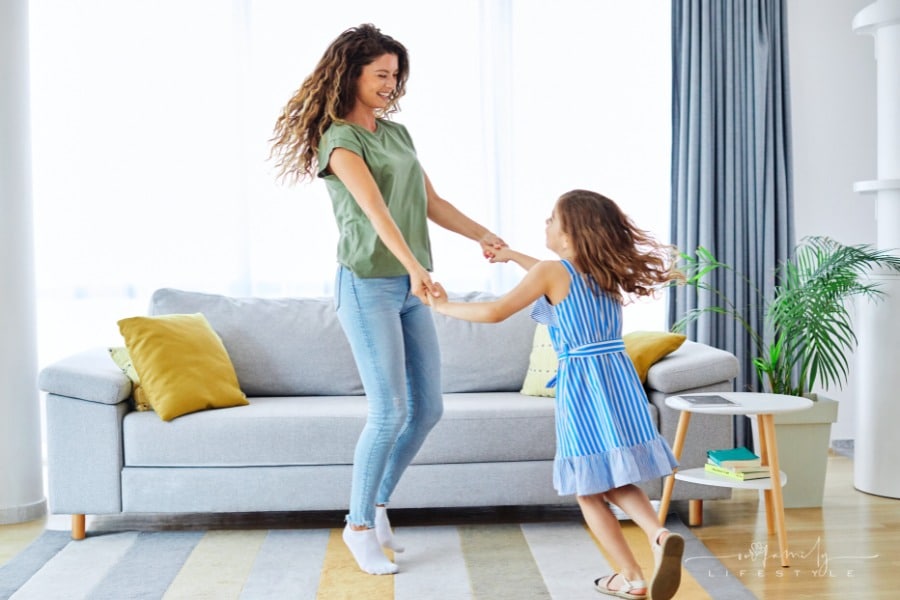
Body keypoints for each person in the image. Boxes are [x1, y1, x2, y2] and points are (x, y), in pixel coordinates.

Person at [269, 24, 505, 575]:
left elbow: (431, 202)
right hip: (366, 285)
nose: (390, 85)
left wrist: (483, 235)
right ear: (350, 74)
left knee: (428, 409)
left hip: (407, 286)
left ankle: (374, 506)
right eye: (380, 74)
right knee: (389, 411)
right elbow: (375, 212)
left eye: (395, 76)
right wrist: (418, 268)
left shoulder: (396, 134)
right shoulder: (339, 140)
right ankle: (357, 527)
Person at [427, 189, 685, 600]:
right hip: (618, 380)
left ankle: (633, 577)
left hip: (582, 385)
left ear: (570, 234)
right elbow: (552, 275)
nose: (544, 223)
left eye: (552, 219)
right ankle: (659, 535)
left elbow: (494, 312)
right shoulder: (601, 271)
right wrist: (512, 256)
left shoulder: (551, 272)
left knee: (588, 488)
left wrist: (443, 307)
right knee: (614, 477)